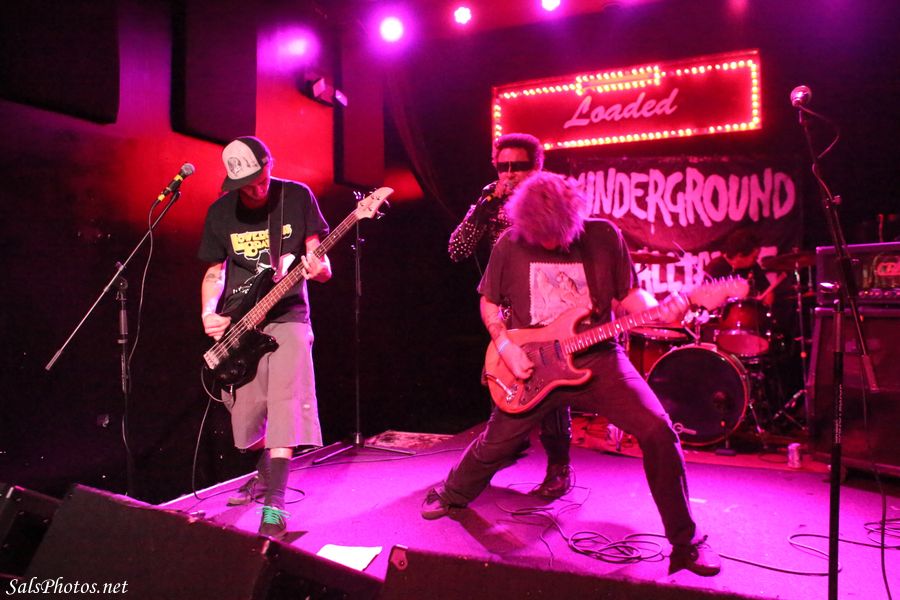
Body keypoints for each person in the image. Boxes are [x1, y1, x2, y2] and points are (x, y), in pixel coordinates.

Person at [423, 172, 720, 577]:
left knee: (658, 431)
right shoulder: (510, 244)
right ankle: (452, 492)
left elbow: (630, 295)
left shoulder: (604, 237)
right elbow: (489, 303)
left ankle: (686, 542)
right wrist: (506, 346)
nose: (549, 243)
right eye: (540, 237)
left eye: (556, 236)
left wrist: (660, 309)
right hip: (531, 362)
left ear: (574, 219)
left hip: (598, 358)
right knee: (496, 444)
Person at [198, 136, 331, 539]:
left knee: (286, 403)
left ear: (269, 163)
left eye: (261, 178)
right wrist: (208, 313)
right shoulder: (221, 213)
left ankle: (275, 505)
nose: (257, 189)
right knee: (247, 423)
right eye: (248, 185)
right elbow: (214, 272)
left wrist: (320, 269)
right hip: (241, 323)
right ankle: (264, 471)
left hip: (289, 315)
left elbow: (320, 259)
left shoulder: (296, 197)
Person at [448, 133, 573, 499]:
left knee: (552, 384)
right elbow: (457, 249)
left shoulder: (553, 197)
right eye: (502, 167)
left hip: (549, 305)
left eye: (518, 166)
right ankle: (501, 451)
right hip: (507, 309)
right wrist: (484, 209)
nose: (509, 174)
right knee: (503, 384)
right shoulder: (491, 199)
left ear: (537, 167)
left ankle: (560, 467)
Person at [706, 228, 773, 304]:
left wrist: (766, 306)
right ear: (740, 256)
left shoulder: (753, 266)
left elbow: (768, 291)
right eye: (754, 257)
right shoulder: (715, 268)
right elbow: (709, 300)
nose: (756, 260)